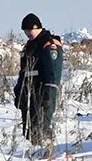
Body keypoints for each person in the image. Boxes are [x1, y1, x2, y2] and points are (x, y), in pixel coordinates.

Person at [14, 12, 63, 145]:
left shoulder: (49, 44)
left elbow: (52, 72)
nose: (28, 33)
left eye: (30, 30)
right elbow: (23, 72)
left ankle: (46, 154)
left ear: (38, 28)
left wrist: (49, 94)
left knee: (41, 127)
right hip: (29, 94)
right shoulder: (29, 47)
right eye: (25, 30)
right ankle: (35, 155)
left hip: (43, 93)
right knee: (30, 131)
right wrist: (19, 91)